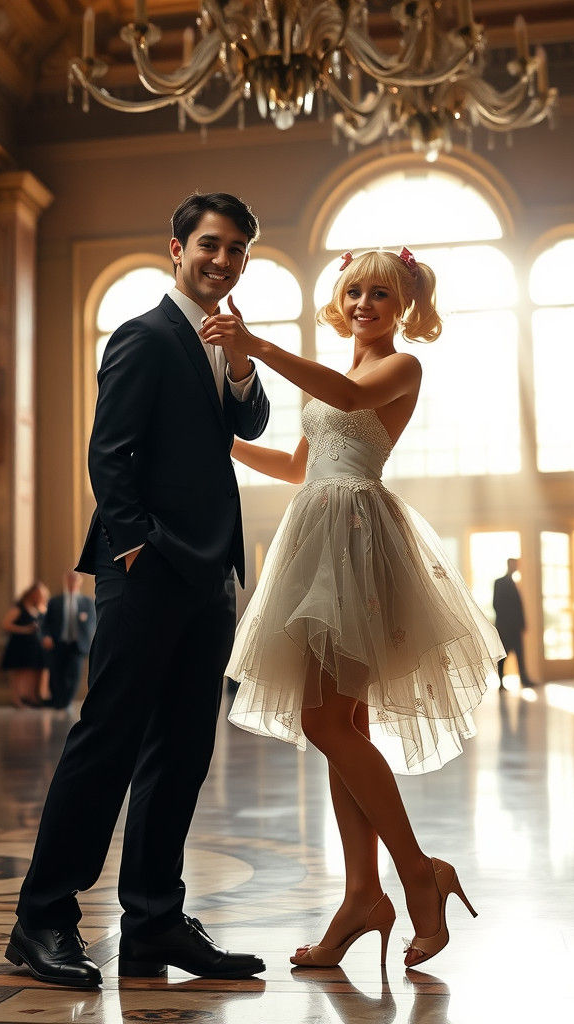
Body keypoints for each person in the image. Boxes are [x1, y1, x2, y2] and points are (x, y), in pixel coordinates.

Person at [200, 247, 504, 971]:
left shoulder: (400, 368)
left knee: (324, 720)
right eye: (357, 290)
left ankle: (416, 873)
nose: (366, 302)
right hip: (319, 527)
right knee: (343, 723)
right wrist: (228, 441)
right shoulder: (335, 371)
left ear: (403, 308)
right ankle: (363, 895)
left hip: (359, 537)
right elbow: (301, 466)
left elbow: (344, 397)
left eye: (382, 294)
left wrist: (259, 346)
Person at [6, 192, 270, 988]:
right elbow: (109, 454)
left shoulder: (222, 340)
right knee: (107, 745)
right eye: (210, 245)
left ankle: (153, 921)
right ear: (178, 248)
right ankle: (42, 918)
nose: (222, 260)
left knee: (183, 752)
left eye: (236, 251)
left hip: (210, 575)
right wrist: (132, 552)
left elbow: (250, 425)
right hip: (148, 571)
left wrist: (243, 361)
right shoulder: (143, 334)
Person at [41, 570, 96, 710]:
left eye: (75, 580)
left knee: (74, 674)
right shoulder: (55, 601)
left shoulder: (87, 602)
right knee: (57, 673)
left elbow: (93, 623)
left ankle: (66, 702)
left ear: (79, 582)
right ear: (65, 581)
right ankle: (59, 701)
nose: (72, 582)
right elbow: (45, 623)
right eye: (69, 579)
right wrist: (46, 636)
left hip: (78, 645)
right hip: (58, 643)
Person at [0, 582, 50, 709]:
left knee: (34, 671)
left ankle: (32, 697)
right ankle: (17, 699)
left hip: (35, 647)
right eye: (38, 595)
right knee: (19, 673)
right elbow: (5, 624)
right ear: (31, 594)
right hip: (20, 645)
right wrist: (25, 629)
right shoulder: (19, 608)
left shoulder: (40, 608)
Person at [492, 557, 534, 689]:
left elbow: (519, 607)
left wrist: (522, 623)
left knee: (520, 654)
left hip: (516, 627)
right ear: (509, 565)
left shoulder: (516, 583)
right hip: (505, 627)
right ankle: (501, 682)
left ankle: (524, 679)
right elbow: (497, 604)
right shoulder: (499, 582)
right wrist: (507, 622)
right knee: (504, 655)